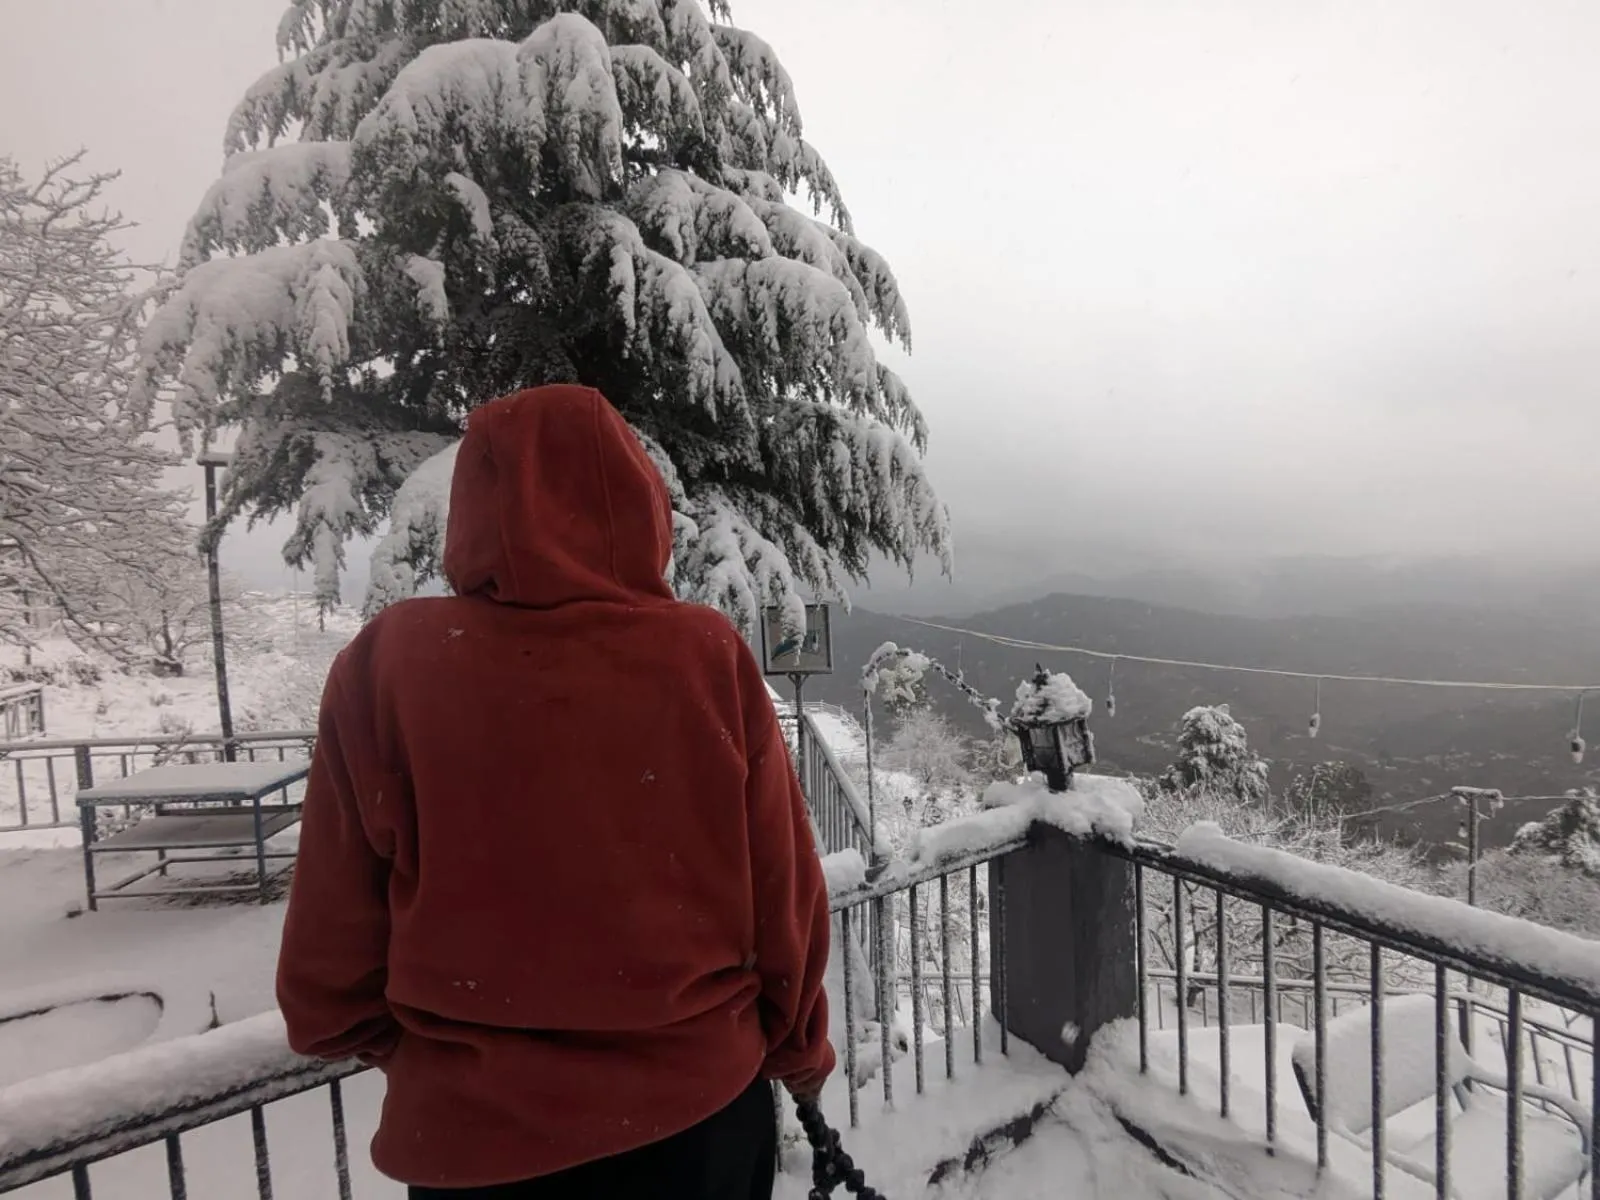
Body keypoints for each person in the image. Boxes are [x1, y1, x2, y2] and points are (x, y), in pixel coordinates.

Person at [276, 385, 834, 1199]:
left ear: (472, 507)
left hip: (469, 1145)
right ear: (641, 505)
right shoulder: (702, 657)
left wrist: (439, 1059)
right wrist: (799, 1052)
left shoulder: (388, 666)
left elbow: (328, 959)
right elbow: (785, 894)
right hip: (697, 1128)